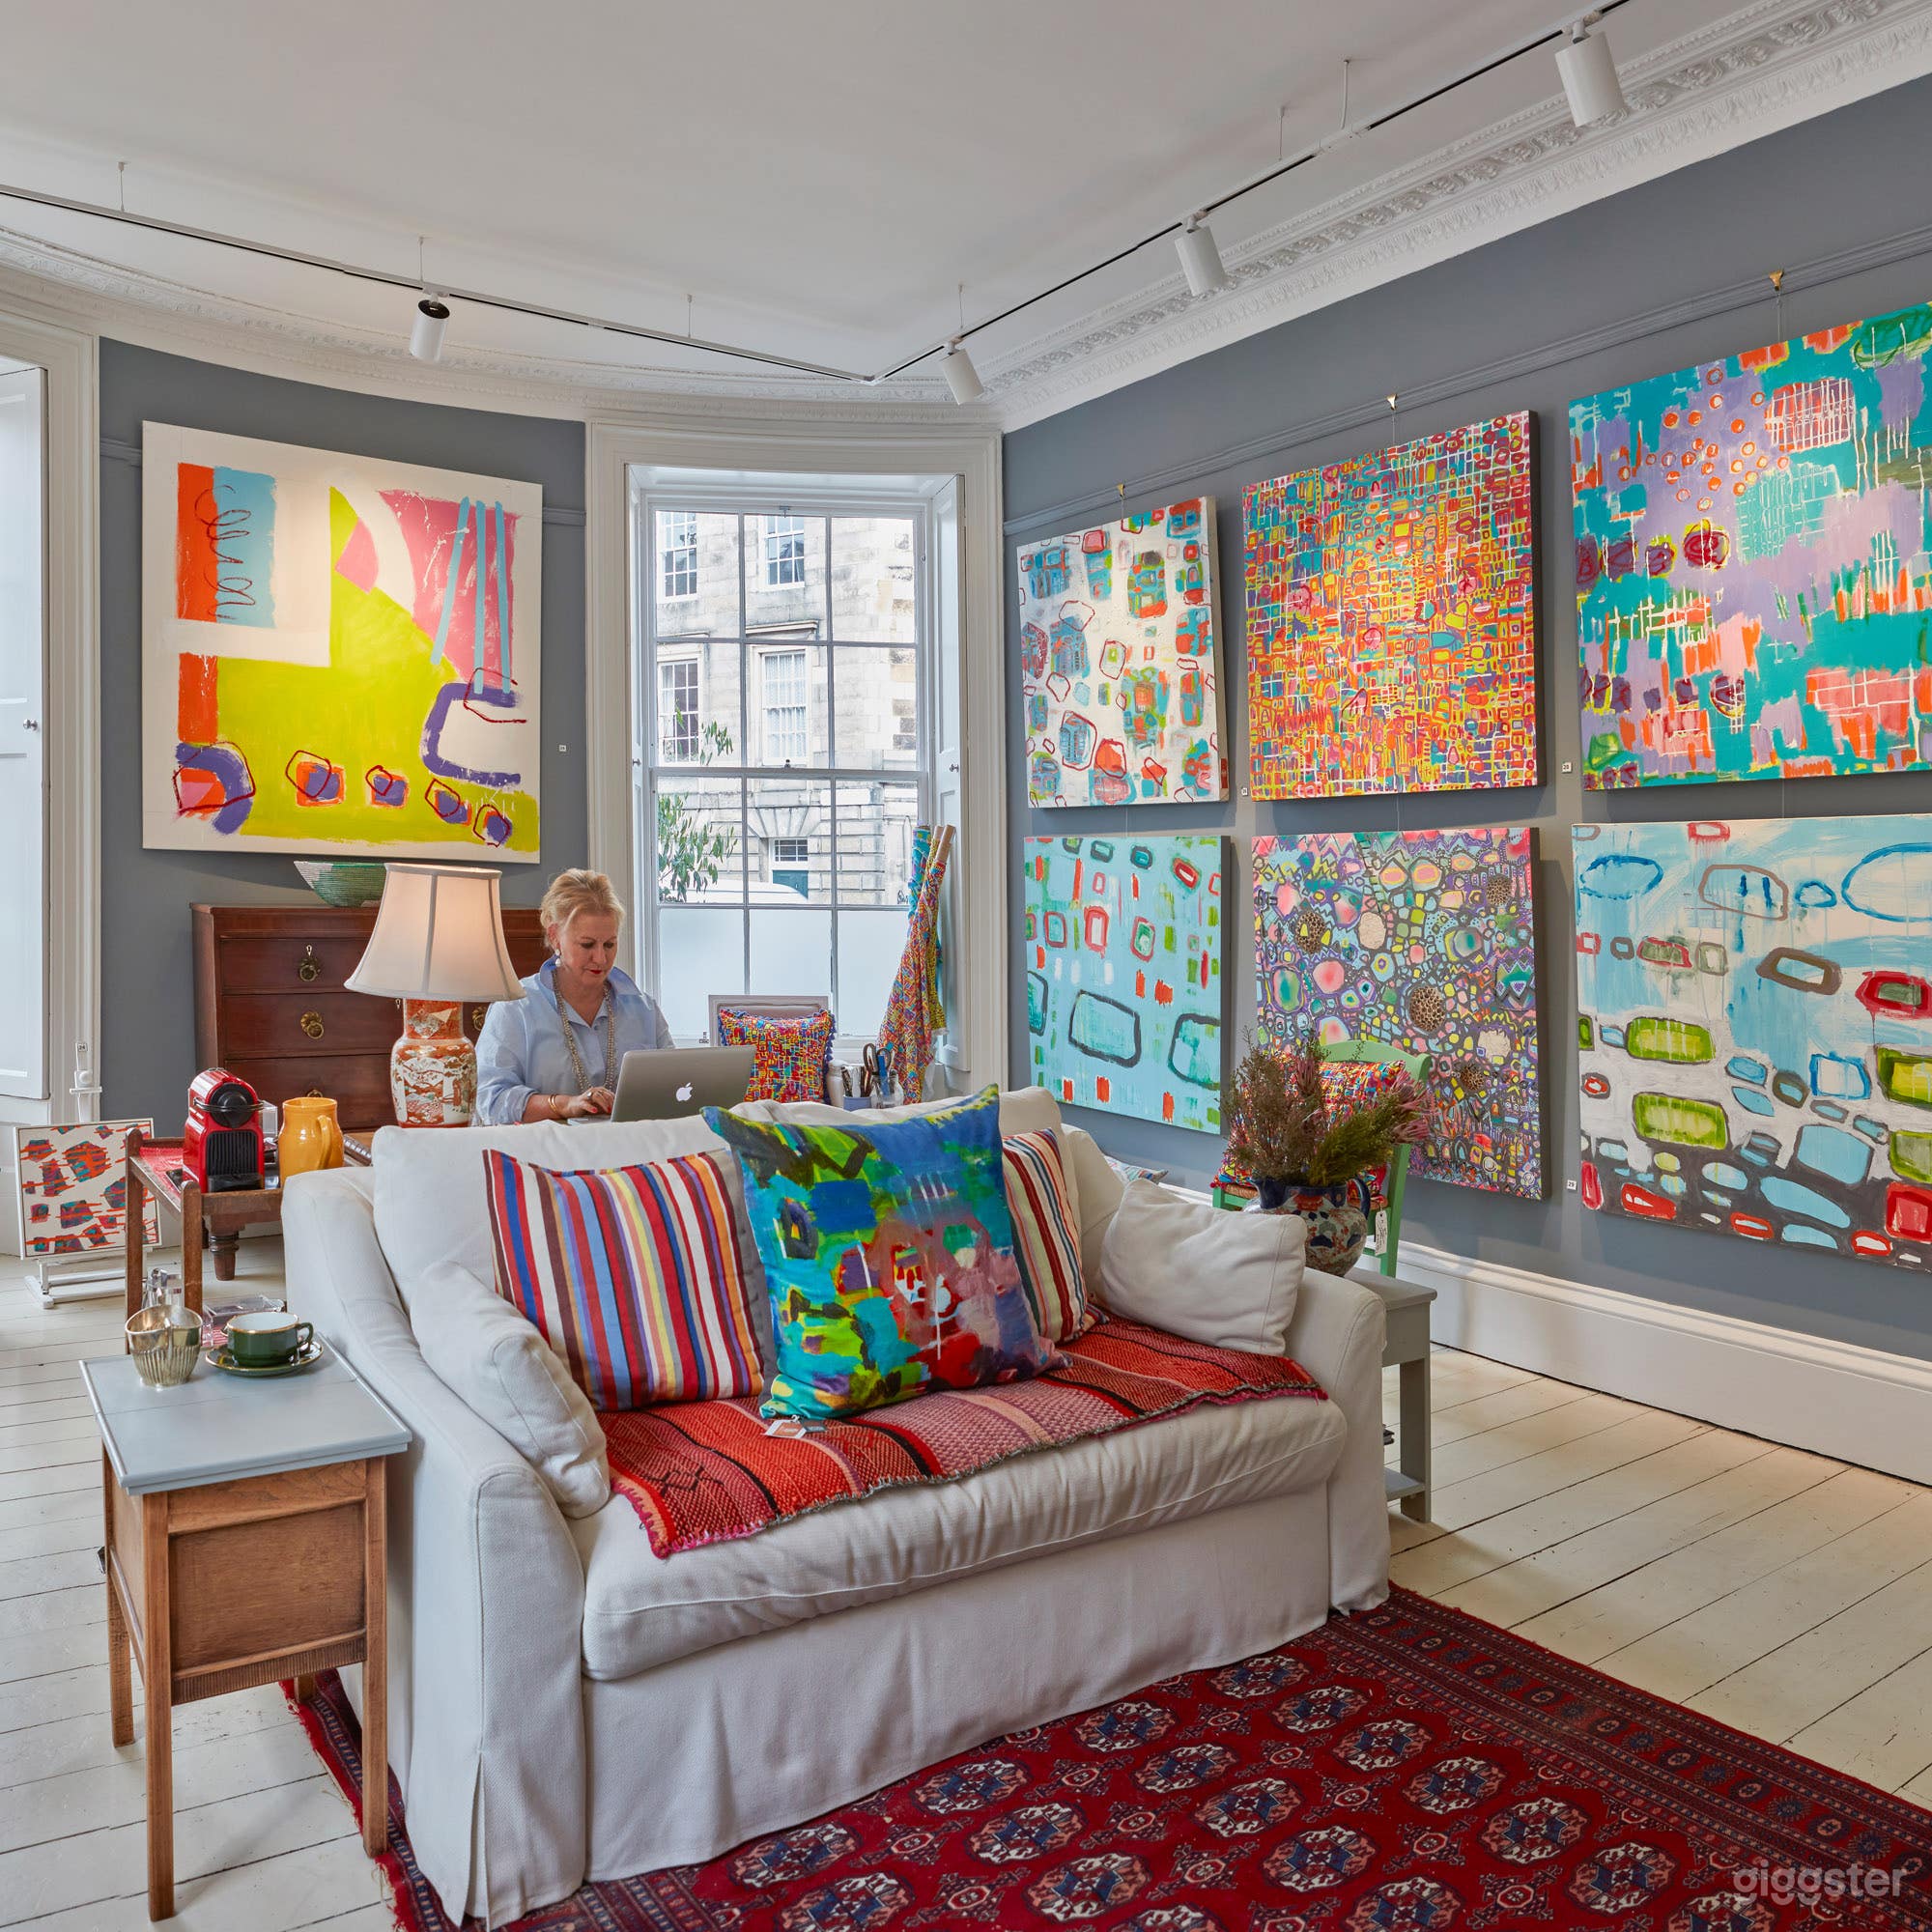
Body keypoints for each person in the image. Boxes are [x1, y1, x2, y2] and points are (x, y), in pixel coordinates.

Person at [474, 869, 673, 1124]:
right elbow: (491, 1100)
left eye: (610, 944)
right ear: (555, 935)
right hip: (544, 1158)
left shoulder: (643, 1009)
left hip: (631, 1154)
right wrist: (564, 1104)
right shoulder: (515, 1008)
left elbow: (675, 1087)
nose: (601, 958)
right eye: (588, 945)